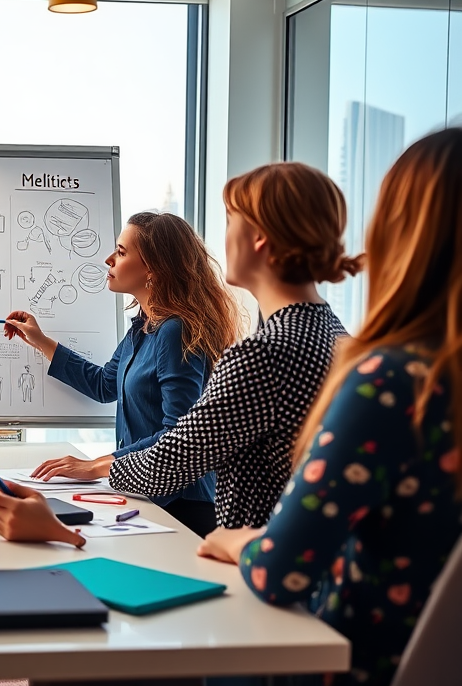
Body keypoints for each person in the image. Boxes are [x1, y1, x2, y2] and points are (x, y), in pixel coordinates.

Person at [198, 129, 462, 686]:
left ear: (401, 230)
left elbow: (281, 571)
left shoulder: (391, 381)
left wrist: (237, 538)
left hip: (340, 661)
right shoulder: (346, 342)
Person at [0, 163, 360, 545]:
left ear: (259, 238)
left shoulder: (263, 353)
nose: (220, 237)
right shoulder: (335, 338)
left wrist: (79, 501)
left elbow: (176, 453)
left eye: (230, 220)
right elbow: (114, 391)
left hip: (244, 553)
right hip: (281, 559)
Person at [3, 212, 241, 537]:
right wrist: (41, 341)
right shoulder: (143, 328)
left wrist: (98, 465)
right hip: (149, 494)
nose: (109, 259)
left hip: (182, 505)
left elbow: (178, 434)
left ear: (153, 270)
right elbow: (104, 385)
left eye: (122, 252)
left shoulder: (175, 331)